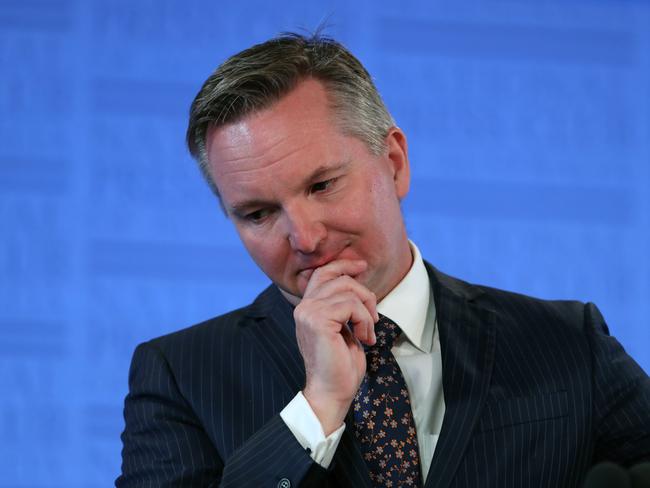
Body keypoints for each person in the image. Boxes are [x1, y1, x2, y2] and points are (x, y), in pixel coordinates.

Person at [116, 33, 650, 487]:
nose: (303, 237)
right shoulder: (180, 377)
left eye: (322, 184)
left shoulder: (566, 342)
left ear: (394, 163)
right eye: (258, 213)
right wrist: (316, 407)